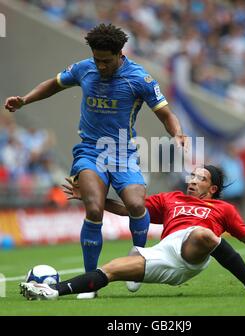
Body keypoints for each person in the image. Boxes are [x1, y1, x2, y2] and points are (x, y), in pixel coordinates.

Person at [5, 24, 188, 299]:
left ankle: (137, 260)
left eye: (106, 61)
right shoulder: (84, 68)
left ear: (119, 54)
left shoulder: (139, 78)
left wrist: (178, 133)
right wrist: (25, 100)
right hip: (90, 150)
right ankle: (90, 282)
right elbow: (54, 85)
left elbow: (165, 113)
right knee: (93, 208)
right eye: (97, 59)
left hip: (124, 152)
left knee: (137, 204)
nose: (100, 66)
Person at [19, 165, 245, 301]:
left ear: (212, 189)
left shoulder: (223, 209)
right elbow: (129, 209)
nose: (192, 180)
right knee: (110, 270)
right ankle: (51, 290)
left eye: (201, 178)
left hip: (195, 249)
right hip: (165, 254)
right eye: (192, 175)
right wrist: (91, 200)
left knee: (204, 235)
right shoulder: (170, 199)